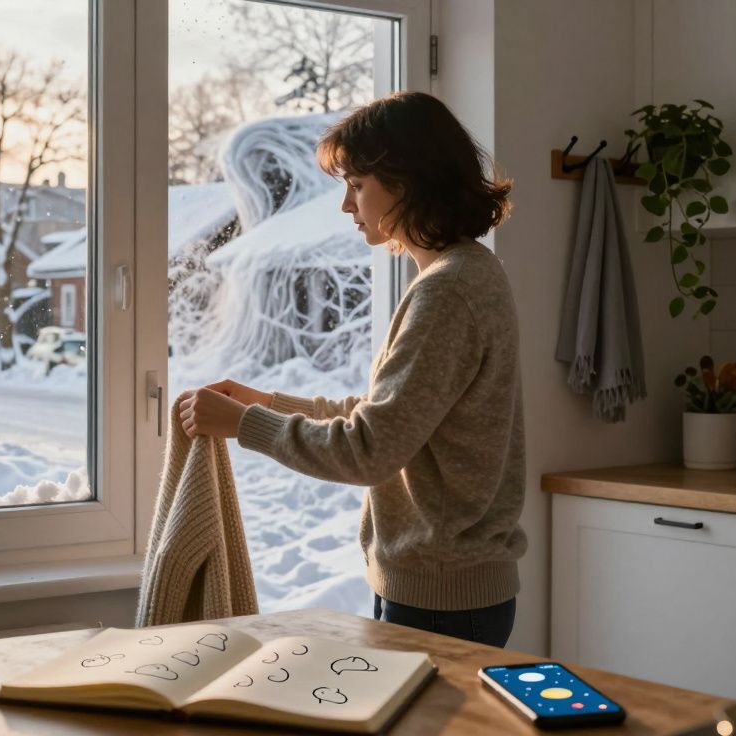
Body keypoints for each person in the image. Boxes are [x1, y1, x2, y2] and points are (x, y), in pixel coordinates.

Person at [176, 91, 526, 648]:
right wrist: (262, 403)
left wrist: (244, 425)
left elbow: (370, 449)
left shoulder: (448, 291)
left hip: (441, 598)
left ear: (406, 182)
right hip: (446, 589)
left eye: (357, 185)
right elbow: (388, 419)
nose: (346, 205)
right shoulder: (463, 274)